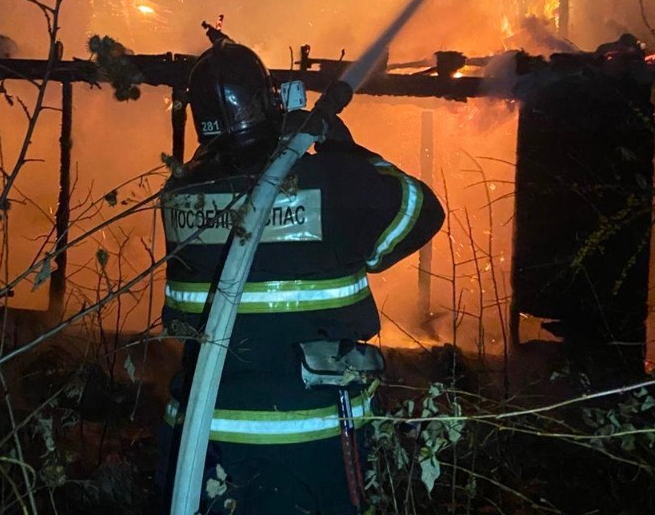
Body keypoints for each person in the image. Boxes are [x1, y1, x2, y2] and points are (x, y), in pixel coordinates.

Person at [157, 28, 445, 514]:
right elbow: (421, 210)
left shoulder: (179, 196)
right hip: (311, 442)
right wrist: (338, 146)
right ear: (269, 104)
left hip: (198, 440)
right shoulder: (328, 182)